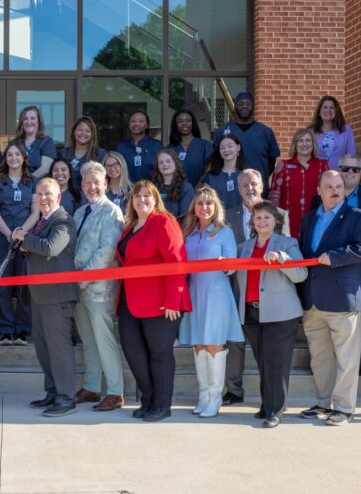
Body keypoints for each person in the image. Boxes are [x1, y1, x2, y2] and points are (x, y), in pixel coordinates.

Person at [298, 170, 361, 426]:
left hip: (343, 299)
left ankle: (344, 408)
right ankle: (323, 402)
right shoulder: (309, 219)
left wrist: (337, 256)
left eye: (339, 186)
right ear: (319, 190)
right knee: (320, 358)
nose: (335, 190)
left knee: (347, 358)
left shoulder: (358, 217)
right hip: (313, 300)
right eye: (329, 186)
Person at [115, 180, 191, 422]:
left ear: (156, 199)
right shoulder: (130, 227)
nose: (142, 200)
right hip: (128, 300)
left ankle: (161, 404)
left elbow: (177, 261)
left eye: (147, 196)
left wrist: (173, 300)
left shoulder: (164, 223)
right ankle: (147, 400)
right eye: (137, 197)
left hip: (159, 302)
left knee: (160, 354)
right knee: (134, 352)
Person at [233, 201, 307, 428]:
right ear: (252, 222)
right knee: (263, 362)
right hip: (252, 311)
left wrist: (282, 259)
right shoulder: (244, 247)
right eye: (258, 218)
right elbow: (233, 268)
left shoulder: (288, 243)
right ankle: (268, 404)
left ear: (276, 220)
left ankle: (276, 410)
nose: (262, 221)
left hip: (281, 313)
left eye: (267, 217)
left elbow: (301, 274)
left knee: (277, 362)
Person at [222, 168, 289, 406]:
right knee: (235, 341)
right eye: (245, 185)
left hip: (271, 289)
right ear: (238, 189)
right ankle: (233, 389)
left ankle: (268, 396)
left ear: (262, 187)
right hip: (239, 285)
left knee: (268, 349)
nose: (250, 188)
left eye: (254, 184)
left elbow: (287, 249)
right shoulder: (228, 215)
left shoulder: (279, 214)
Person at [14, 178, 79, 417]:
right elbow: (37, 249)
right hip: (40, 296)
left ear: (58, 197)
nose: (43, 198)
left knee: (59, 350)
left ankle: (66, 398)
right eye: (39, 194)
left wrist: (24, 237)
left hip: (58, 297)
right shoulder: (43, 221)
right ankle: (52, 393)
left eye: (48, 194)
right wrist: (26, 243)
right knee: (44, 350)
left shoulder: (63, 220)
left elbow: (51, 247)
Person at [309, 155, 361, 375]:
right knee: (323, 351)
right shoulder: (313, 212)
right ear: (320, 190)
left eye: (355, 170)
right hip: (319, 287)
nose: (350, 173)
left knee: (360, 330)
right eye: (345, 169)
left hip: (357, 277)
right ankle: (324, 393)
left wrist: (338, 256)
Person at [179, 186, 243, 418]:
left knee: (214, 343)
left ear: (216, 207)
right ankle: (204, 394)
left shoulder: (224, 232)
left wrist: (224, 262)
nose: (204, 207)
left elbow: (232, 266)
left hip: (216, 293)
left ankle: (216, 397)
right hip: (194, 292)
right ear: (194, 208)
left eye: (209, 203)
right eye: (200, 203)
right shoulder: (189, 233)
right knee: (198, 344)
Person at [72, 162, 126, 412]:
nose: (92, 186)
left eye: (97, 182)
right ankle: (92, 386)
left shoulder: (112, 212)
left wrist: (81, 278)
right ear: (81, 185)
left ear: (105, 184)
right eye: (87, 182)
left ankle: (115, 392)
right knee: (88, 339)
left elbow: (107, 251)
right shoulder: (80, 211)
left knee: (104, 339)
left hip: (99, 287)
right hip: (78, 287)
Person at [0, 141, 40, 345]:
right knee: (3, 283)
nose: (14, 158)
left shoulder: (33, 181)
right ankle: (6, 330)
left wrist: (21, 233)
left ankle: (22, 331)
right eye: (10, 155)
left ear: (23, 157)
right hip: (2, 235)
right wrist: (9, 234)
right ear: (5, 159)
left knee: (24, 285)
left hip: (25, 236)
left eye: (17, 154)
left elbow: (36, 211)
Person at [269, 127, 329, 238]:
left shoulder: (323, 165)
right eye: (300, 141)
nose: (304, 144)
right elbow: (274, 197)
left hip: (316, 219)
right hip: (289, 222)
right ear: (295, 145)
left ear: (313, 143)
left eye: (308, 140)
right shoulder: (283, 166)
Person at [212, 92, 281, 186]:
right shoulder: (222, 131)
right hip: (230, 186)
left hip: (257, 186)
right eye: (240, 104)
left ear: (253, 106)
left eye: (248, 104)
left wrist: (260, 177)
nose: (244, 106)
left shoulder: (265, 132)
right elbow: (216, 159)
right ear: (235, 106)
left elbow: (271, 162)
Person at [60, 115, 106, 195]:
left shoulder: (100, 154)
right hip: (66, 197)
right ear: (74, 132)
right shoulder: (63, 153)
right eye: (80, 130)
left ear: (92, 134)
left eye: (88, 131)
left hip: (90, 196)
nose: (83, 133)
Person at [199, 133, 245, 210]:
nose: (226, 150)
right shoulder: (210, 177)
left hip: (243, 220)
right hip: (218, 220)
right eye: (222, 148)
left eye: (230, 146)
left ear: (238, 147)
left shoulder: (247, 175)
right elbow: (206, 203)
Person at [167, 109, 214, 185]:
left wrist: (199, 186)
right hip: (176, 192)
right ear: (175, 125)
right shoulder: (169, 149)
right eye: (180, 121)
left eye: (188, 120)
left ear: (193, 123)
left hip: (200, 191)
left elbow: (210, 169)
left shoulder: (205, 145)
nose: (184, 123)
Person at [115, 110, 163, 183]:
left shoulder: (156, 145)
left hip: (150, 189)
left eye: (141, 121)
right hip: (126, 189)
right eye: (133, 121)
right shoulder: (121, 147)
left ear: (147, 125)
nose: (136, 124)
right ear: (129, 125)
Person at [11, 105, 57, 179]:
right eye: (25, 119)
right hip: (15, 185)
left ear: (38, 122)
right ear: (22, 123)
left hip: (38, 186)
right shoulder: (15, 143)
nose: (29, 121)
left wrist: (26, 182)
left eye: (33, 118)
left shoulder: (46, 142)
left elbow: (45, 169)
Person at [310, 96, 355, 169]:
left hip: (339, 175)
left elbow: (351, 154)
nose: (328, 110)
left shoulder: (346, 129)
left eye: (332, 108)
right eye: (325, 107)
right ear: (319, 112)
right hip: (317, 174)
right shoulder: (311, 132)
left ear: (336, 112)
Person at [150, 148, 194, 219]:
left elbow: (185, 217)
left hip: (176, 228)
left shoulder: (186, 188)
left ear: (175, 163)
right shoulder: (152, 187)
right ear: (157, 166)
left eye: (168, 161)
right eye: (161, 162)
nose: (165, 164)